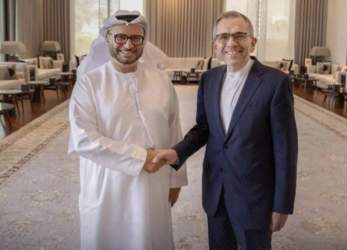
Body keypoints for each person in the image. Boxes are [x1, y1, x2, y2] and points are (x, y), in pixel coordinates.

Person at [154, 11, 297, 250]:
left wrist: (282, 204)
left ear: (252, 41)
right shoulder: (209, 79)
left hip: (255, 197)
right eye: (223, 37)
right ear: (215, 45)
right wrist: (177, 152)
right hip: (216, 193)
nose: (231, 43)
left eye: (239, 35)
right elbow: (204, 128)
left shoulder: (275, 82)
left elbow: (286, 149)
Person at [68, 10, 187, 250]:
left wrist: (176, 180)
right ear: (108, 38)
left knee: (151, 238)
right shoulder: (89, 83)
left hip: (154, 182)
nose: (128, 45)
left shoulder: (162, 81)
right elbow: (83, 139)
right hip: (106, 184)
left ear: (144, 40)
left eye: (136, 38)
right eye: (120, 37)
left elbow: (175, 131)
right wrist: (142, 158)